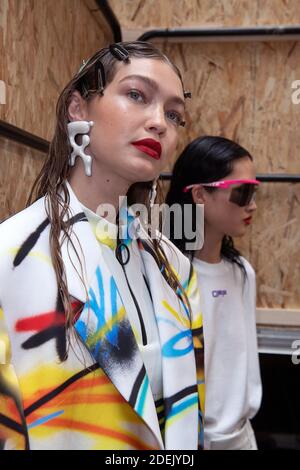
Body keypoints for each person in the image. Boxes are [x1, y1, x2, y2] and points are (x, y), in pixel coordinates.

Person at [0, 42, 204, 450]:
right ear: (78, 109)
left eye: (174, 114)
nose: (159, 122)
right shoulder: (11, 256)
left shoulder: (177, 269)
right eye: (136, 95)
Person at [166, 136, 262, 450]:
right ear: (199, 195)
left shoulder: (241, 272)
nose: (253, 204)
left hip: (243, 438)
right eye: (242, 191)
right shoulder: (168, 275)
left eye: (254, 191)